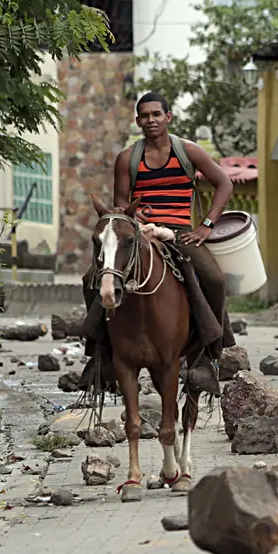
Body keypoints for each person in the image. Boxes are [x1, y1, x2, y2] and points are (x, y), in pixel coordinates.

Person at [81, 91, 235, 395]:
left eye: (156, 114)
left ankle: (208, 354)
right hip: (140, 232)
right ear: (137, 121)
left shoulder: (188, 152)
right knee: (91, 278)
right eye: (144, 116)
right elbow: (121, 205)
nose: (150, 120)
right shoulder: (127, 158)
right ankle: (100, 353)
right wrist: (138, 225)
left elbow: (224, 183)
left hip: (180, 232)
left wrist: (205, 226)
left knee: (214, 278)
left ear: (168, 117)